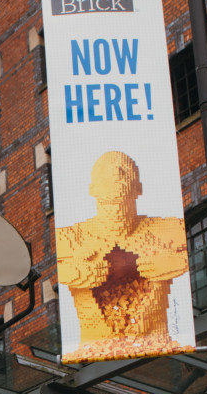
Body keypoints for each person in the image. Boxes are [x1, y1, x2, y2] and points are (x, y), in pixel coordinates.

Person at [55, 149, 189, 360]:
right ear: (92, 189)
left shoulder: (167, 229)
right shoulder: (70, 237)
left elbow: (189, 252)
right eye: (105, 170)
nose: (116, 172)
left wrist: (172, 261)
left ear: (139, 188)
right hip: (94, 354)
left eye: (124, 169)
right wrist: (77, 271)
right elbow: (50, 270)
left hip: (156, 347)